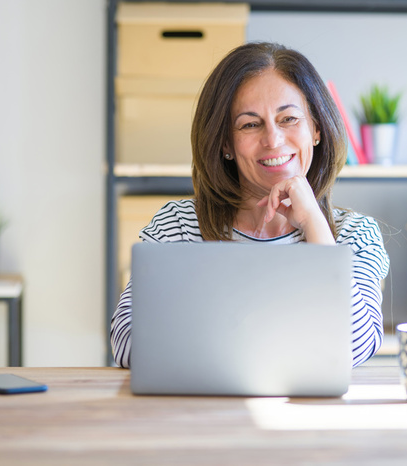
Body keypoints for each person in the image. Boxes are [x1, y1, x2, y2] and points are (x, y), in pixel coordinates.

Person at [111, 42, 390, 369]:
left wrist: (315, 225)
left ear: (316, 129)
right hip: (198, 412)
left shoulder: (355, 234)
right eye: (250, 124)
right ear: (226, 143)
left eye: (288, 118)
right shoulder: (179, 224)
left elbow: (355, 348)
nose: (273, 139)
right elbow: (127, 344)